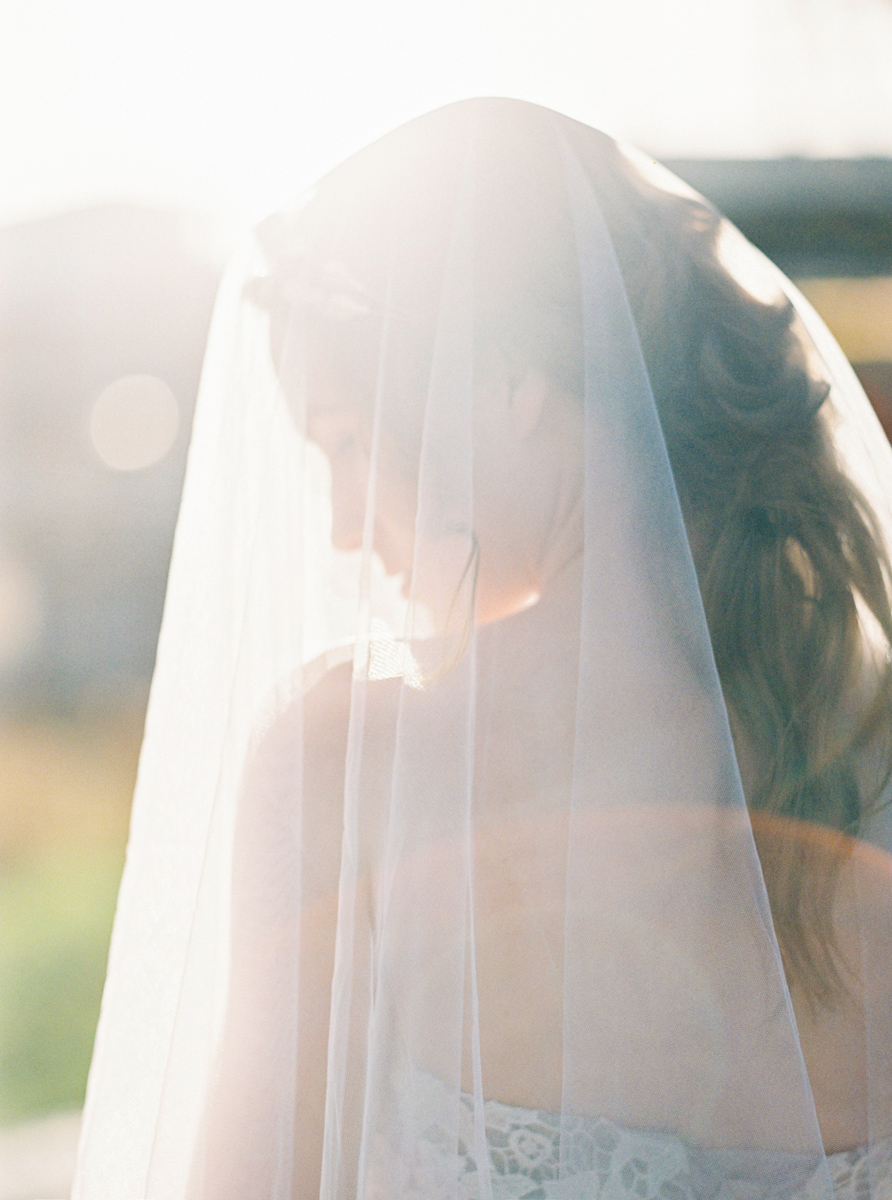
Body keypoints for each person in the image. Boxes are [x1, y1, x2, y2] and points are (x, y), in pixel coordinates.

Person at [73, 100, 892, 1200]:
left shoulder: (352, 767)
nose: (345, 527)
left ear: (511, 384)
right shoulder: (864, 739)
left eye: (349, 443)